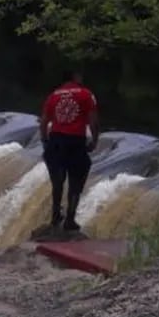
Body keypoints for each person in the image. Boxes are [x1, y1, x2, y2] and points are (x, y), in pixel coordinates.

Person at [39, 69, 99, 231]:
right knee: (76, 180)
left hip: (56, 141)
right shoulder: (86, 94)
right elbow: (93, 120)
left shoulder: (54, 95)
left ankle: (56, 215)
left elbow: (44, 122)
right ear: (76, 77)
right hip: (75, 143)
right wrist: (94, 140)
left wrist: (45, 141)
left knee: (57, 182)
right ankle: (70, 219)